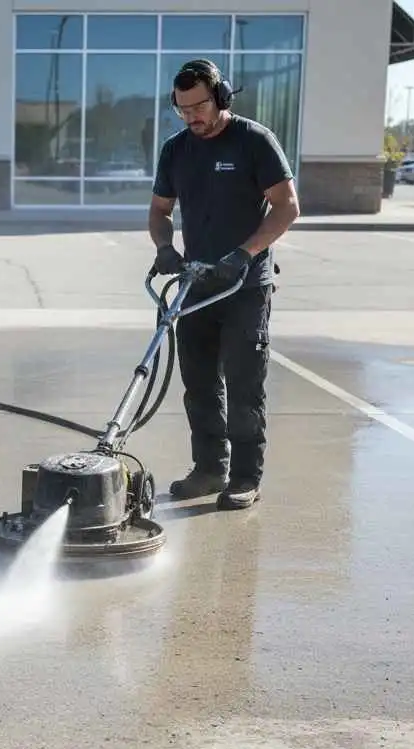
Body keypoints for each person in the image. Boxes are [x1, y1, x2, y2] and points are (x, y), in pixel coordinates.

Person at [149, 58, 300, 510]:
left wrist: (244, 254)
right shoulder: (176, 150)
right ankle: (210, 469)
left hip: (245, 286)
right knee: (198, 384)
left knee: (243, 383)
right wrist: (164, 247)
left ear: (221, 97)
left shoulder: (254, 141)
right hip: (198, 284)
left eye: (199, 107)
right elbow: (159, 210)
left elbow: (287, 206)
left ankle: (245, 477)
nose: (191, 117)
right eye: (183, 110)